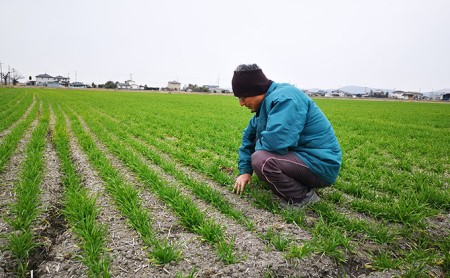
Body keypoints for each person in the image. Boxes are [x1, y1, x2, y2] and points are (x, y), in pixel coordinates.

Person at [232, 64, 342, 207]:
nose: (241, 103)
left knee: (262, 160)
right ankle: (295, 184)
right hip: (304, 160)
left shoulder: (285, 98)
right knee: (257, 146)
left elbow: (276, 143)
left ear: (256, 90)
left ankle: (302, 198)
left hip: (320, 164)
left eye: (243, 97)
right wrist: (245, 171)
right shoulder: (266, 105)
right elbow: (248, 137)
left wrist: (256, 156)